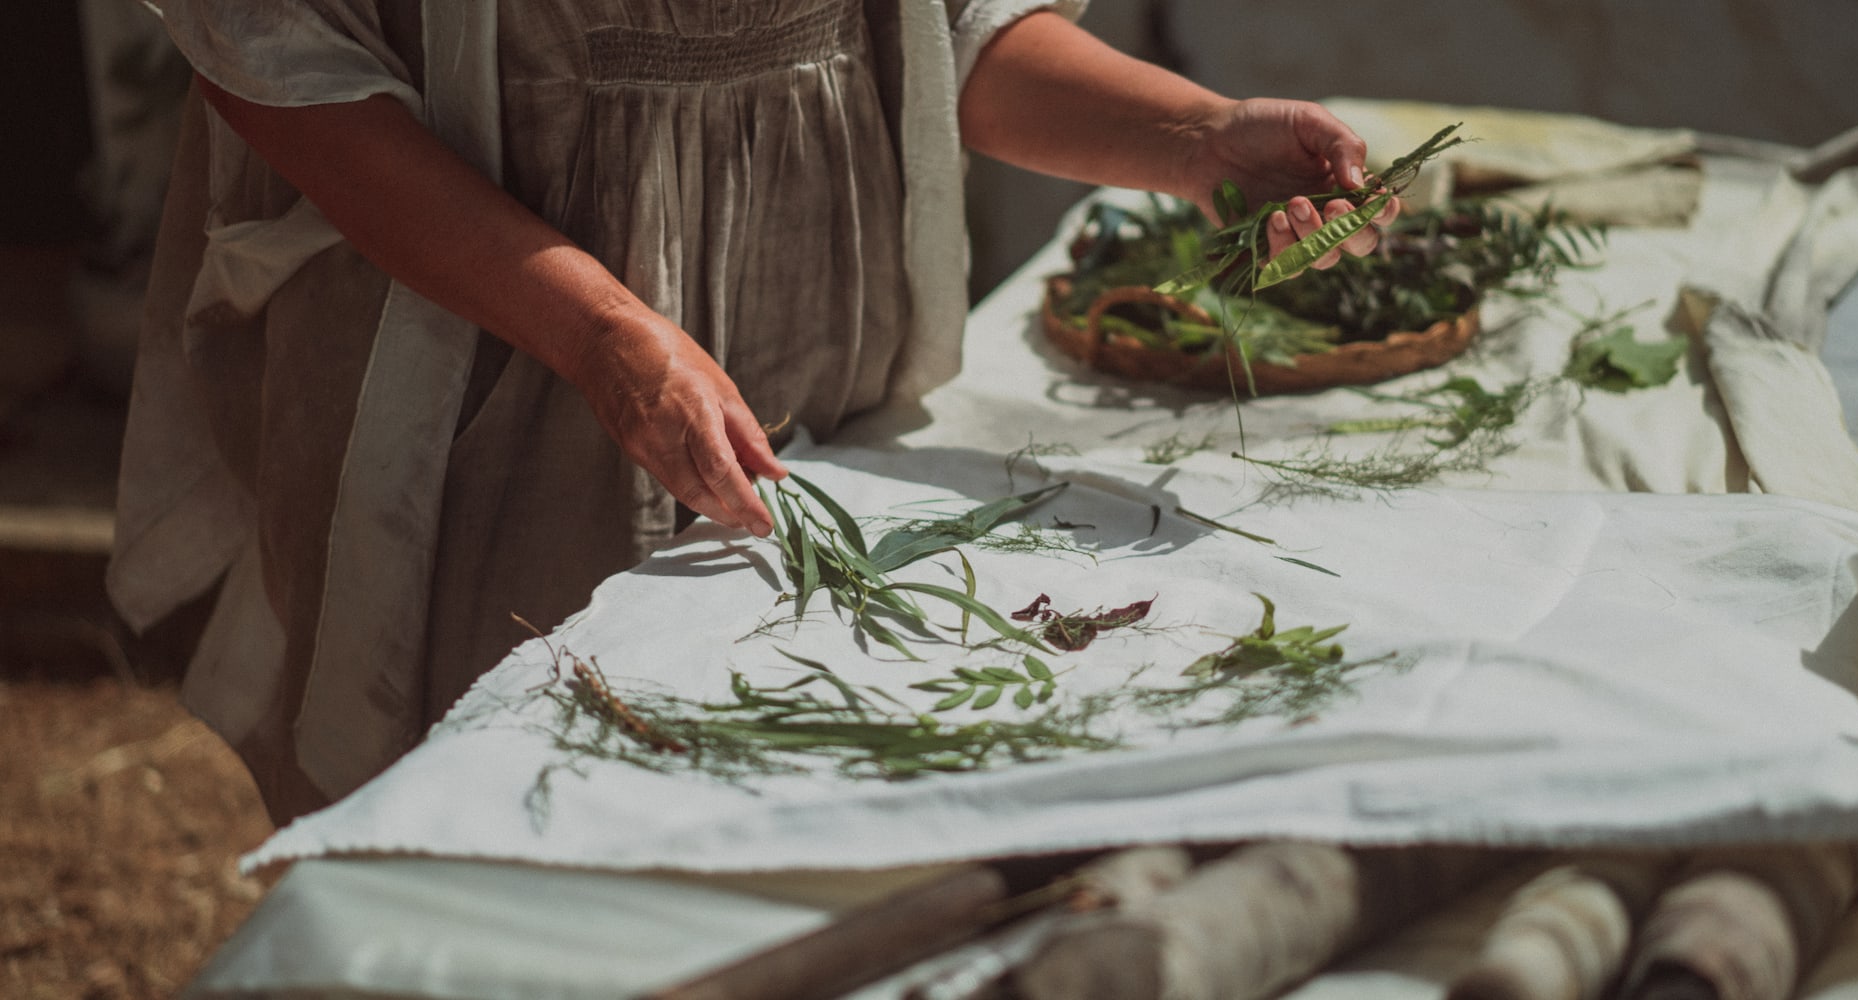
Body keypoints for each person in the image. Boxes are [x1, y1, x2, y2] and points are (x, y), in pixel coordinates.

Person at [108, 0, 1399, 823]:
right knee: (508, 770)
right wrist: (603, 333)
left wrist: (1195, 134)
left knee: (785, 762)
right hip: (486, 340)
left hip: (813, 315)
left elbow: (949, 28)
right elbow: (283, 57)